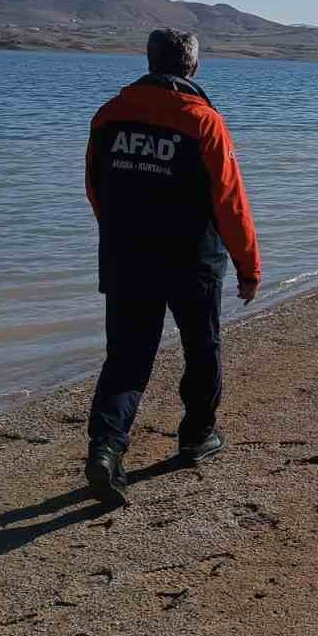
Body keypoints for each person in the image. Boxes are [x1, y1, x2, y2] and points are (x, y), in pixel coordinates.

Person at [83, 28, 261, 501]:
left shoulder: (109, 115)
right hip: (192, 260)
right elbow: (231, 202)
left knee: (126, 357)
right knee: (202, 347)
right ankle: (197, 435)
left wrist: (121, 235)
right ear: (193, 67)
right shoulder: (204, 122)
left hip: (126, 255)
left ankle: (106, 448)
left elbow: (96, 189)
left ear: (149, 60)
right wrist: (249, 265)